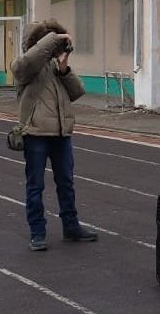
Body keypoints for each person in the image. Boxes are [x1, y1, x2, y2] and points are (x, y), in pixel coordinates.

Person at [10, 17, 99, 251]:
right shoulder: (26, 67)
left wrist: (64, 68)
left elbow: (78, 91)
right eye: (50, 41)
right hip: (35, 134)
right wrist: (53, 37)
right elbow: (25, 63)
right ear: (40, 42)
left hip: (61, 134)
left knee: (66, 183)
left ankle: (71, 227)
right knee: (35, 185)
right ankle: (37, 232)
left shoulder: (55, 68)